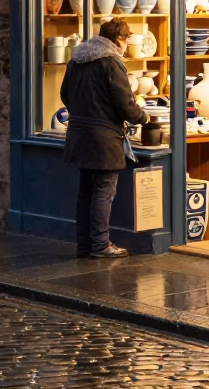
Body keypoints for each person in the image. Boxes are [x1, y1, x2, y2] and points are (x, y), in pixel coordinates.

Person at [61, 18, 148, 258]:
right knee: (103, 192)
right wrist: (143, 117)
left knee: (85, 192)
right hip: (104, 139)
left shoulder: (76, 61)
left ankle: (84, 245)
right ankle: (100, 245)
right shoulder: (111, 63)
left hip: (79, 135)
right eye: (127, 39)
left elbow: (64, 94)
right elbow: (125, 104)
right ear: (121, 39)